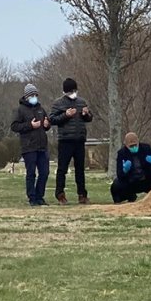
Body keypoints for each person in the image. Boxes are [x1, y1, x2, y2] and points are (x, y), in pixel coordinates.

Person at [49, 77, 93, 205]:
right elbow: (52, 119)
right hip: (65, 140)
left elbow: (89, 118)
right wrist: (66, 115)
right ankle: (60, 194)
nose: (73, 93)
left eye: (74, 90)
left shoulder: (82, 102)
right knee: (62, 169)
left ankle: (82, 194)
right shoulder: (58, 103)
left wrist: (86, 114)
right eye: (71, 91)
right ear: (65, 92)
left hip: (79, 140)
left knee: (80, 169)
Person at [11, 83, 51, 207]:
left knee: (44, 172)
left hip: (42, 146)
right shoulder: (20, 110)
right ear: (27, 96)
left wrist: (47, 125)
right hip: (29, 147)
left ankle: (40, 196)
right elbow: (14, 126)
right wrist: (30, 125)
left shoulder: (41, 109)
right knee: (31, 173)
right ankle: (32, 198)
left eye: (36, 95)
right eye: (32, 95)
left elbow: (47, 123)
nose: (34, 97)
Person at [110, 132, 151, 203]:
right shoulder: (122, 153)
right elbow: (119, 175)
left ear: (138, 142)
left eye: (135, 145)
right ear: (126, 145)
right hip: (131, 182)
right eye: (131, 146)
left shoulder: (146, 148)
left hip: (146, 181)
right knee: (115, 185)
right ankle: (129, 197)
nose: (134, 147)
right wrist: (124, 170)